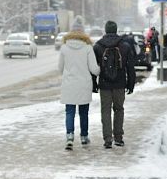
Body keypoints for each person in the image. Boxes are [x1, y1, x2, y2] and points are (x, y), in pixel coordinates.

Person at [58, 16, 100, 150]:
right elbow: (94, 69)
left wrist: (68, 74)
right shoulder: (88, 48)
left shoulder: (64, 48)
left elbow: (60, 68)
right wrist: (101, 70)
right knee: (83, 112)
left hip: (69, 84)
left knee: (69, 112)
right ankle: (84, 136)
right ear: (83, 33)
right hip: (83, 85)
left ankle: (69, 136)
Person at [92, 20, 136, 149]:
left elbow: (94, 67)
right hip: (120, 83)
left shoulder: (98, 46)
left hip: (104, 84)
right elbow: (130, 67)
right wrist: (131, 83)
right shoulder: (125, 46)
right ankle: (118, 137)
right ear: (116, 30)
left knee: (105, 111)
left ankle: (107, 139)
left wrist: (94, 83)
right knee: (119, 109)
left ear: (105, 30)